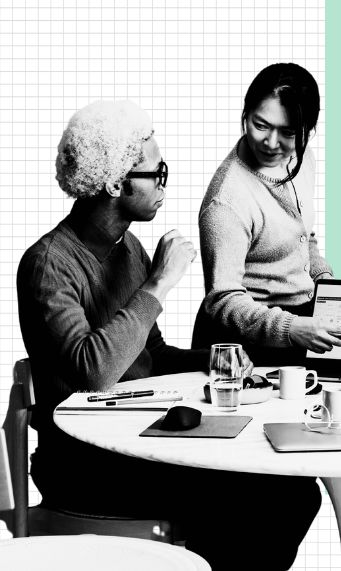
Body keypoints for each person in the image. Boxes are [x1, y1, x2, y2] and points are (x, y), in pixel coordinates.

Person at [17, 99, 320, 571]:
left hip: (134, 438)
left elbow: (150, 352)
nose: (164, 184)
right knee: (265, 500)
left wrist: (211, 359)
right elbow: (91, 371)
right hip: (83, 463)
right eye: (156, 174)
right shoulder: (47, 265)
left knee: (293, 491)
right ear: (116, 183)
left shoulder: (129, 248)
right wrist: (158, 284)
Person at [195, 63, 341, 365]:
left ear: (308, 131)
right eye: (261, 125)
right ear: (245, 114)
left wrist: (327, 286)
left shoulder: (301, 160)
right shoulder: (227, 201)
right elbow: (222, 299)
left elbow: (301, 237)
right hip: (246, 345)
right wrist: (292, 327)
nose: (271, 143)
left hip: (303, 323)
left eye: (288, 132)